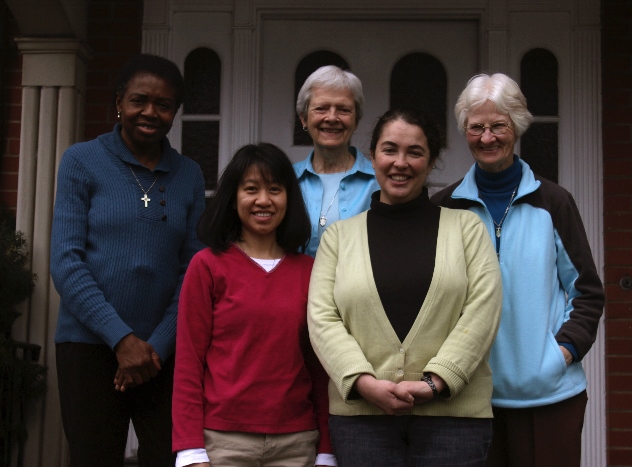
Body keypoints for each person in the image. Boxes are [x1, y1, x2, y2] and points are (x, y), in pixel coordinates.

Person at [308, 108, 502, 466]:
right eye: (389, 149)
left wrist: (436, 382)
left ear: (431, 162)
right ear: (372, 157)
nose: (401, 162)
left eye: (415, 152)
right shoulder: (338, 238)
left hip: (454, 421)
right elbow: (322, 318)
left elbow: (483, 310)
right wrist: (363, 383)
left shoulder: (467, 229)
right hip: (362, 421)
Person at [431, 73, 605, 467]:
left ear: (518, 126)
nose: (487, 138)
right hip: (469, 397)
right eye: (476, 127)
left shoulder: (554, 202)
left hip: (548, 396)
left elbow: (588, 292)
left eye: (499, 126)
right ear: (465, 131)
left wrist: (561, 353)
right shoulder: (446, 207)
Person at [50, 53, 205, 466]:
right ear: (119, 101)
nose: (150, 112)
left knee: (169, 459)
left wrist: (154, 347)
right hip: (89, 347)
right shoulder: (81, 161)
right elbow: (66, 261)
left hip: (163, 355)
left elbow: (193, 268)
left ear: (176, 112)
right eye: (139, 100)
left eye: (164, 104)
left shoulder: (189, 174)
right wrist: (120, 338)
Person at [172, 143, 335, 467]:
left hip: (296, 443)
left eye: (275, 189)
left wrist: (326, 451)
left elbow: (320, 370)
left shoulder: (310, 271)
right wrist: (190, 451)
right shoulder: (207, 267)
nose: (264, 200)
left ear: (289, 198)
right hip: (223, 444)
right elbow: (189, 364)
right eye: (251, 189)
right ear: (233, 199)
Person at [294, 65, 379, 257]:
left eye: (343, 110)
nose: (332, 118)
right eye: (321, 108)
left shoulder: (380, 182)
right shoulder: (285, 180)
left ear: (356, 120)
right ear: (303, 118)